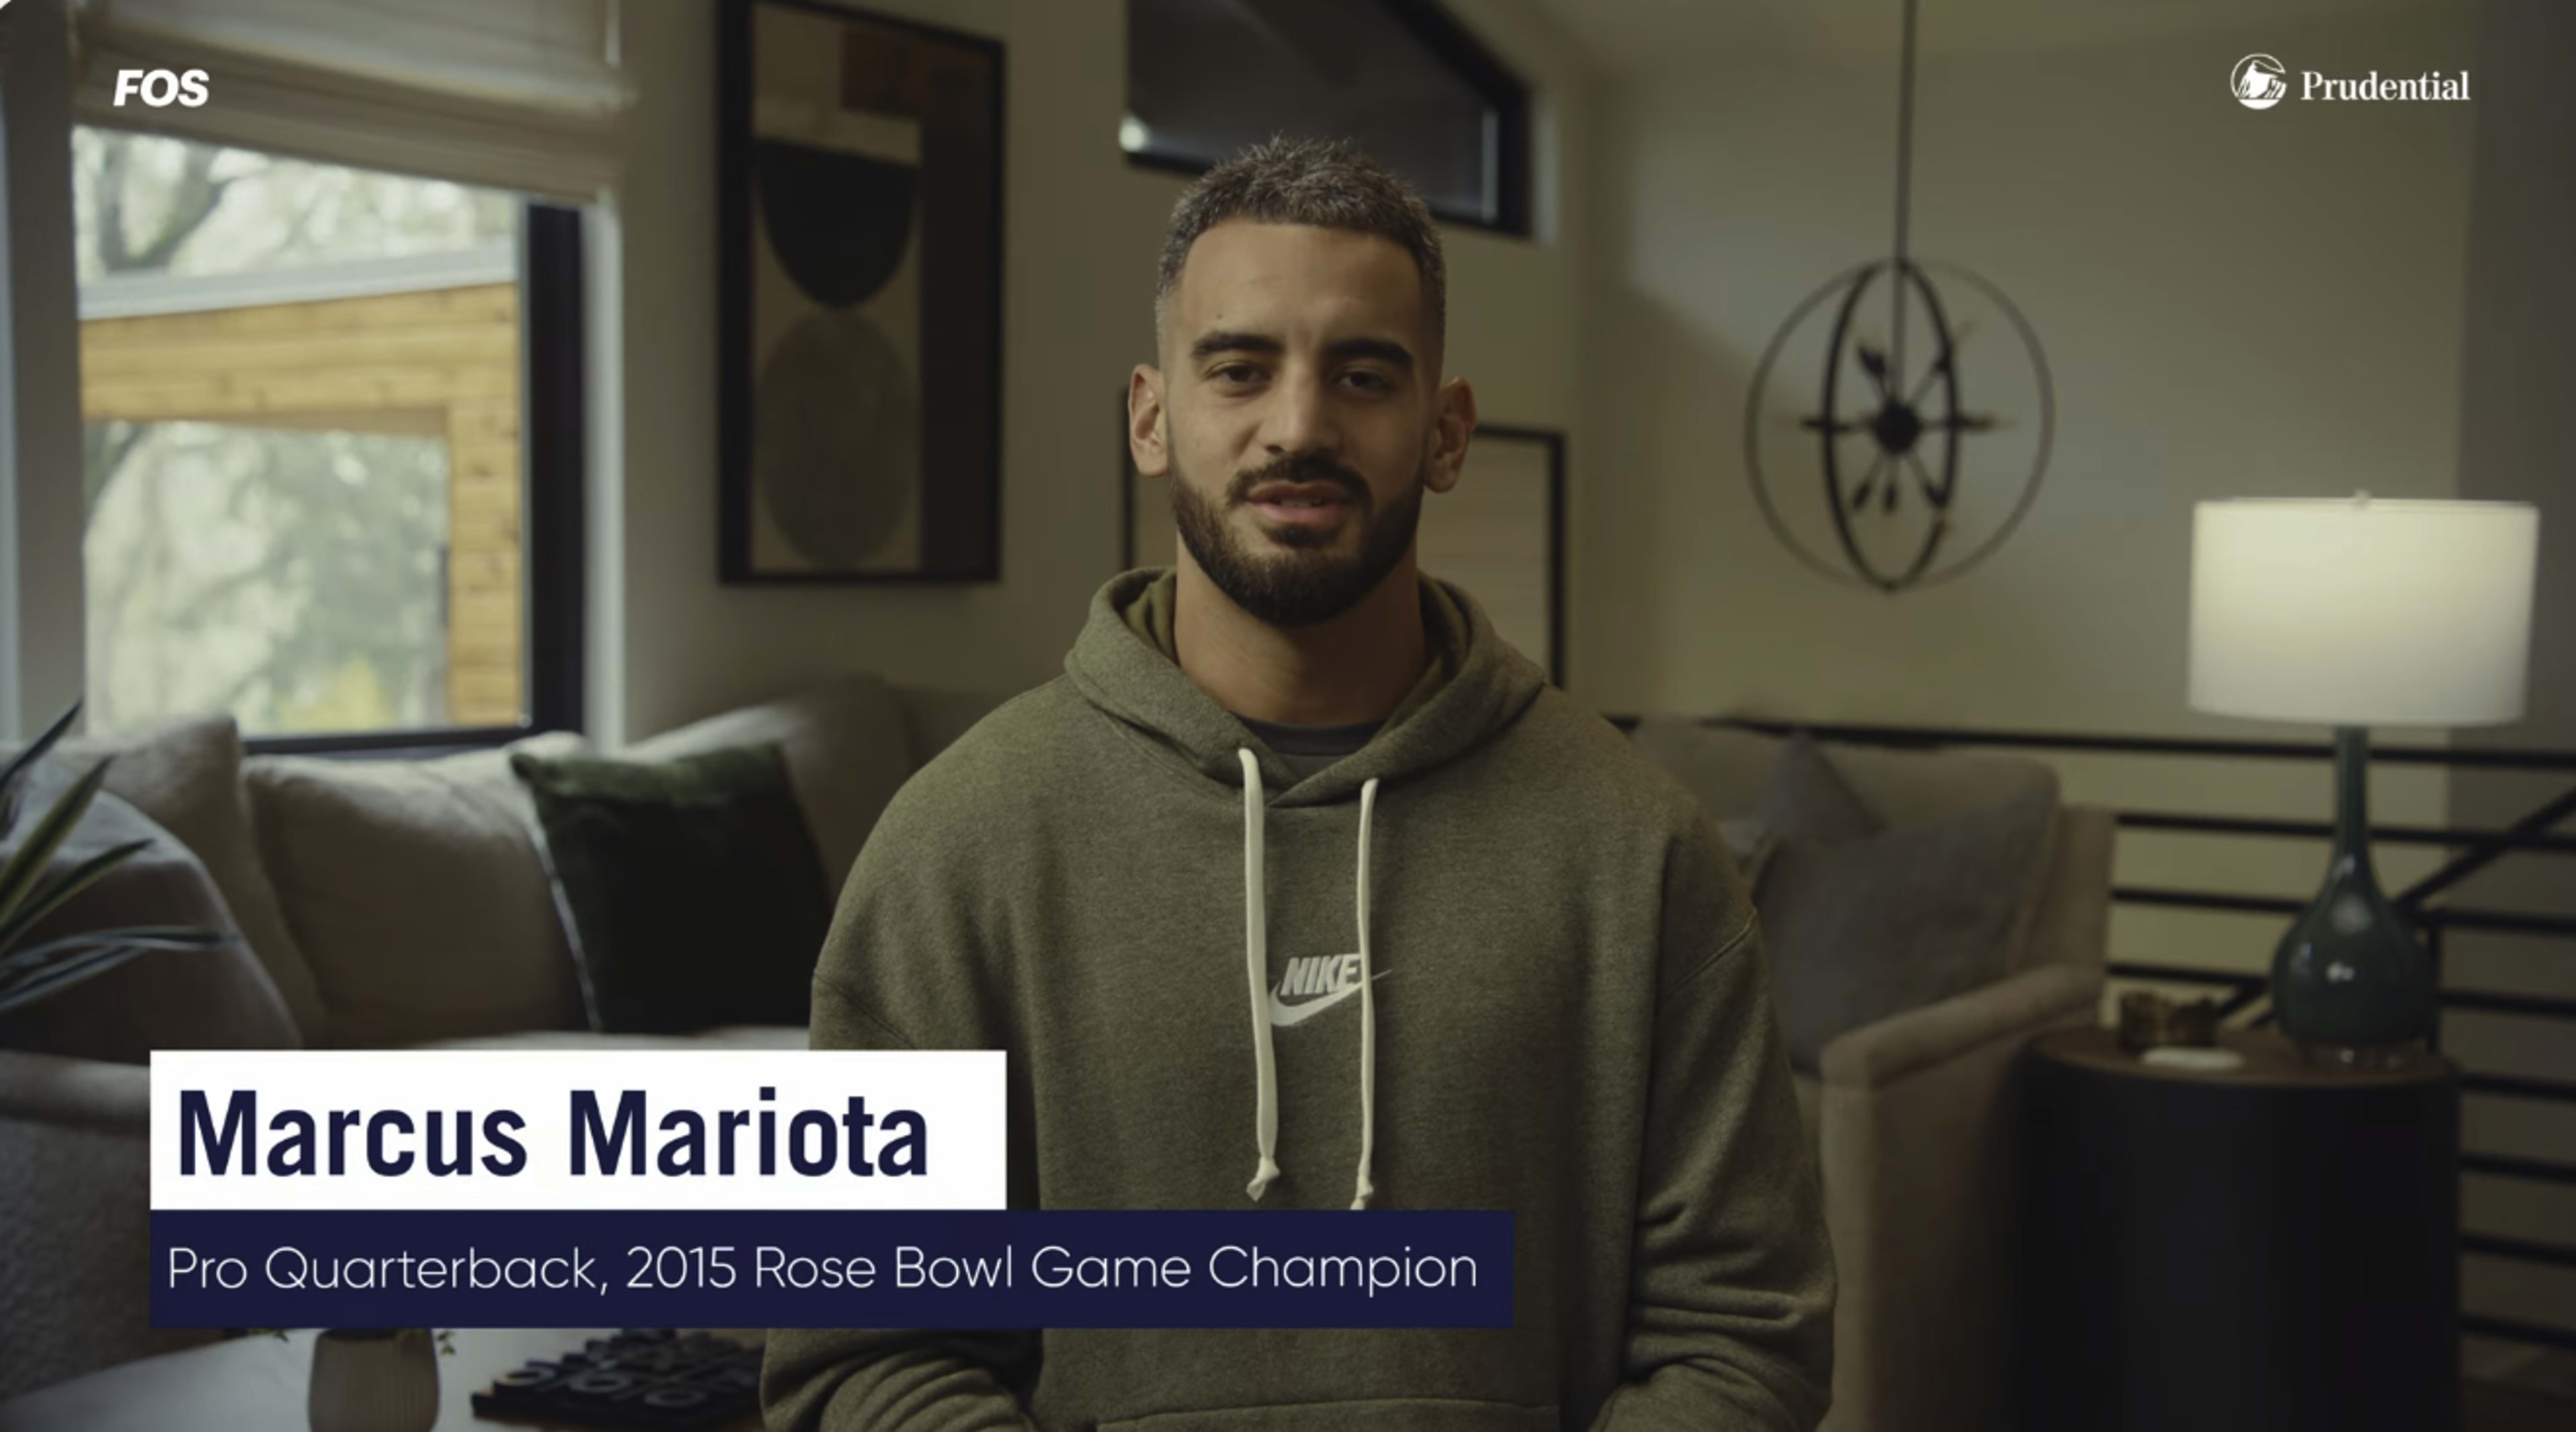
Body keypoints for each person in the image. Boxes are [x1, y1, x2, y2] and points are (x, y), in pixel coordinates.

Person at [763, 137, 1834, 1431]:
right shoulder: (959, 846)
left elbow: (1743, 1341)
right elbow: (862, 1348)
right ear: (1153, 418)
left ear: (1445, 433)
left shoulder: (1637, 845)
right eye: (1240, 367)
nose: (1301, 426)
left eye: (1363, 374)